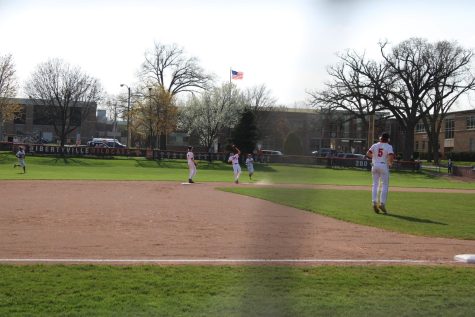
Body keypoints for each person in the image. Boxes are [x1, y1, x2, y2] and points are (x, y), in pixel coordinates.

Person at [366, 132, 394, 214]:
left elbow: (368, 154)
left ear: (380, 138)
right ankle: (382, 203)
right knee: (385, 185)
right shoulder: (388, 146)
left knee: (375, 184)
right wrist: (390, 163)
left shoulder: (375, 145)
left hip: (374, 165)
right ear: (388, 139)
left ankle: (374, 202)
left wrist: (375, 157)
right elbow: (391, 156)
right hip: (383, 165)